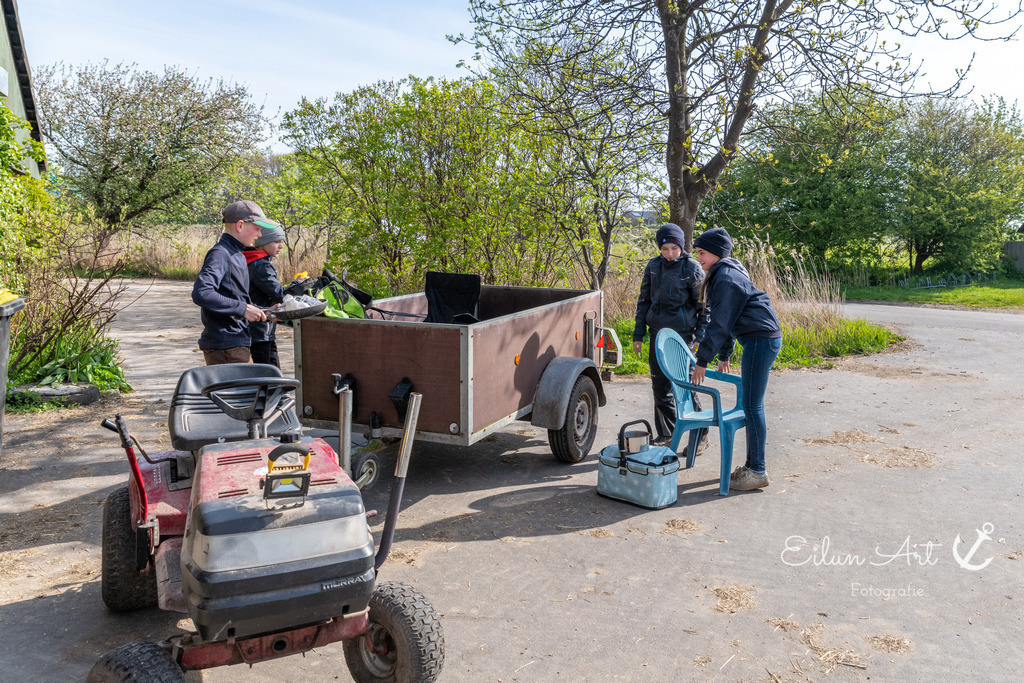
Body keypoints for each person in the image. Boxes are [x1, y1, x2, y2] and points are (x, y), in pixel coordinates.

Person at [690, 227, 782, 491]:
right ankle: (754, 466)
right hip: (760, 338)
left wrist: (702, 360)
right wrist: (723, 355)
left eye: (703, 253)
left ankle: (758, 470)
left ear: (718, 253)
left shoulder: (726, 278)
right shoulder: (726, 272)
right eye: (697, 253)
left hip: (760, 340)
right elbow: (728, 319)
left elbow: (719, 323)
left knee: (752, 406)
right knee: (752, 405)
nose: (699, 259)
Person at [632, 222, 709, 451]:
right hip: (657, 333)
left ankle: (700, 436)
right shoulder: (653, 266)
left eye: (674, 248)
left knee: (685, 386)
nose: (670, 253)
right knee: (660, 385)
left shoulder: (692, 268)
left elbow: (704, 306)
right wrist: (639, 333)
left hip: (682, 335)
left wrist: (699, 336)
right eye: (665, 249)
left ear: (681, 246)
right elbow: (643, 300)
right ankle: (667, 433)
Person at [192, 200, 280, 365]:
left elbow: (236, 299)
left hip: (238, 342)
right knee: (244, 391)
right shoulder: (220, 254)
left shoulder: (238, 254)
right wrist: (243, 309)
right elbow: (202, 293)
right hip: (226, 346)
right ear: (240, 225)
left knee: (250, 390)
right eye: (257, 229)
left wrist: (265, 312)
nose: (260, 235)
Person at [244, 225, 288, 368]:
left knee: (269, 369)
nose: (281, 246)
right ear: (263, 242)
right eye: (277, 241)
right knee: (267, 371)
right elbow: (279, 293)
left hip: (256, 328)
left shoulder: (250, 259)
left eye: (282, 241)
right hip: (260, 328)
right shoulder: (261, 265)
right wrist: (300, 285)